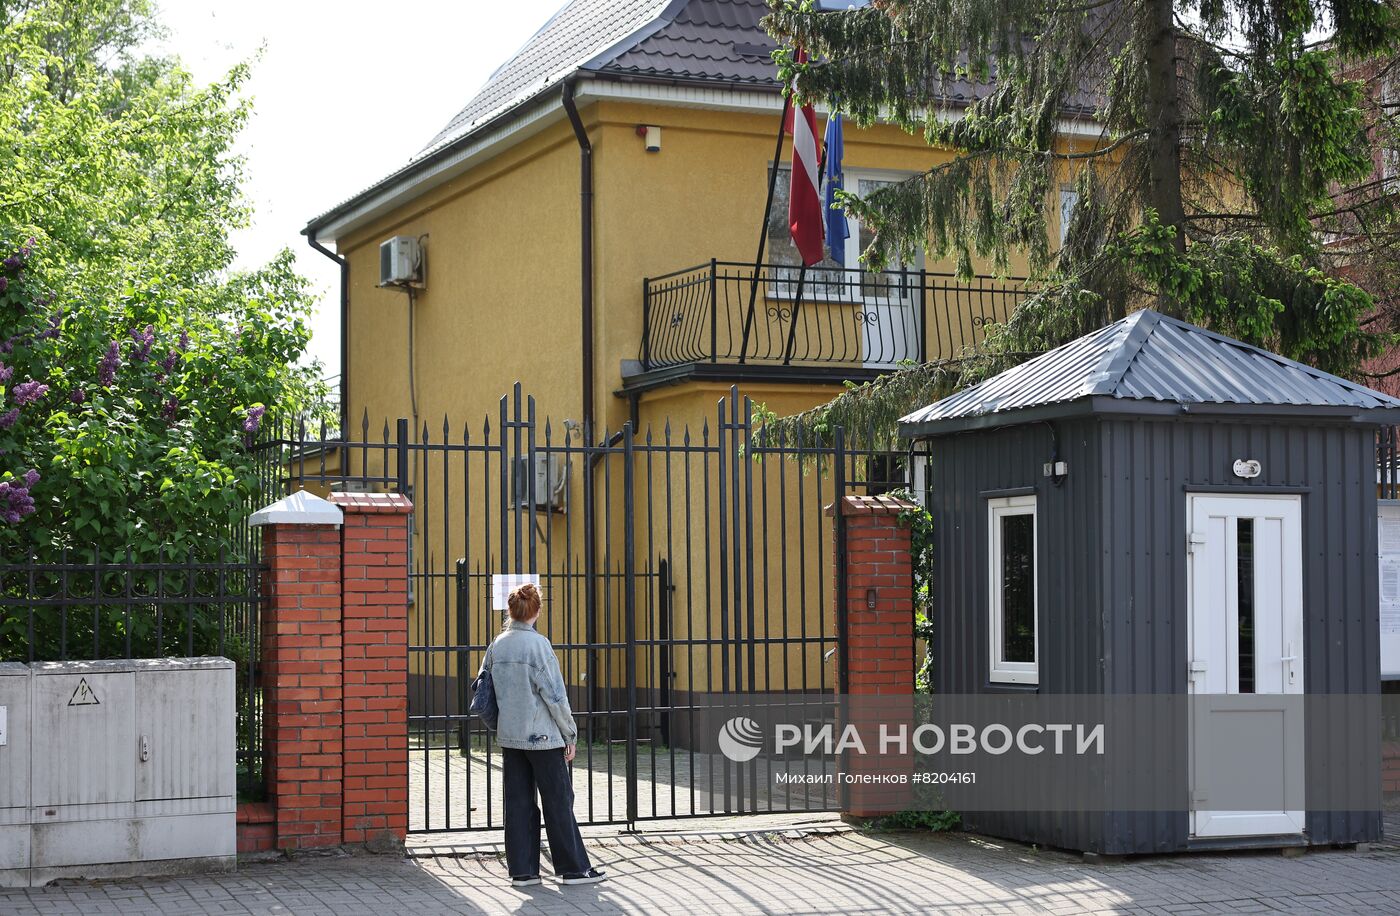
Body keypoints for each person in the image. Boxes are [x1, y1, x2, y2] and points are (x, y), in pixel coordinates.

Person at [484, 581, 606, 887]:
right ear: (536, 611)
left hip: (511, 737)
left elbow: (484, 689)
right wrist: (570, 734)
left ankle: (523, 872)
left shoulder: (497, 645)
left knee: (518, 804)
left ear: (510, 610)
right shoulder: (538, 645)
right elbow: (554, 696)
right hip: (542, 738)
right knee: (558, 802)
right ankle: (574, 869)